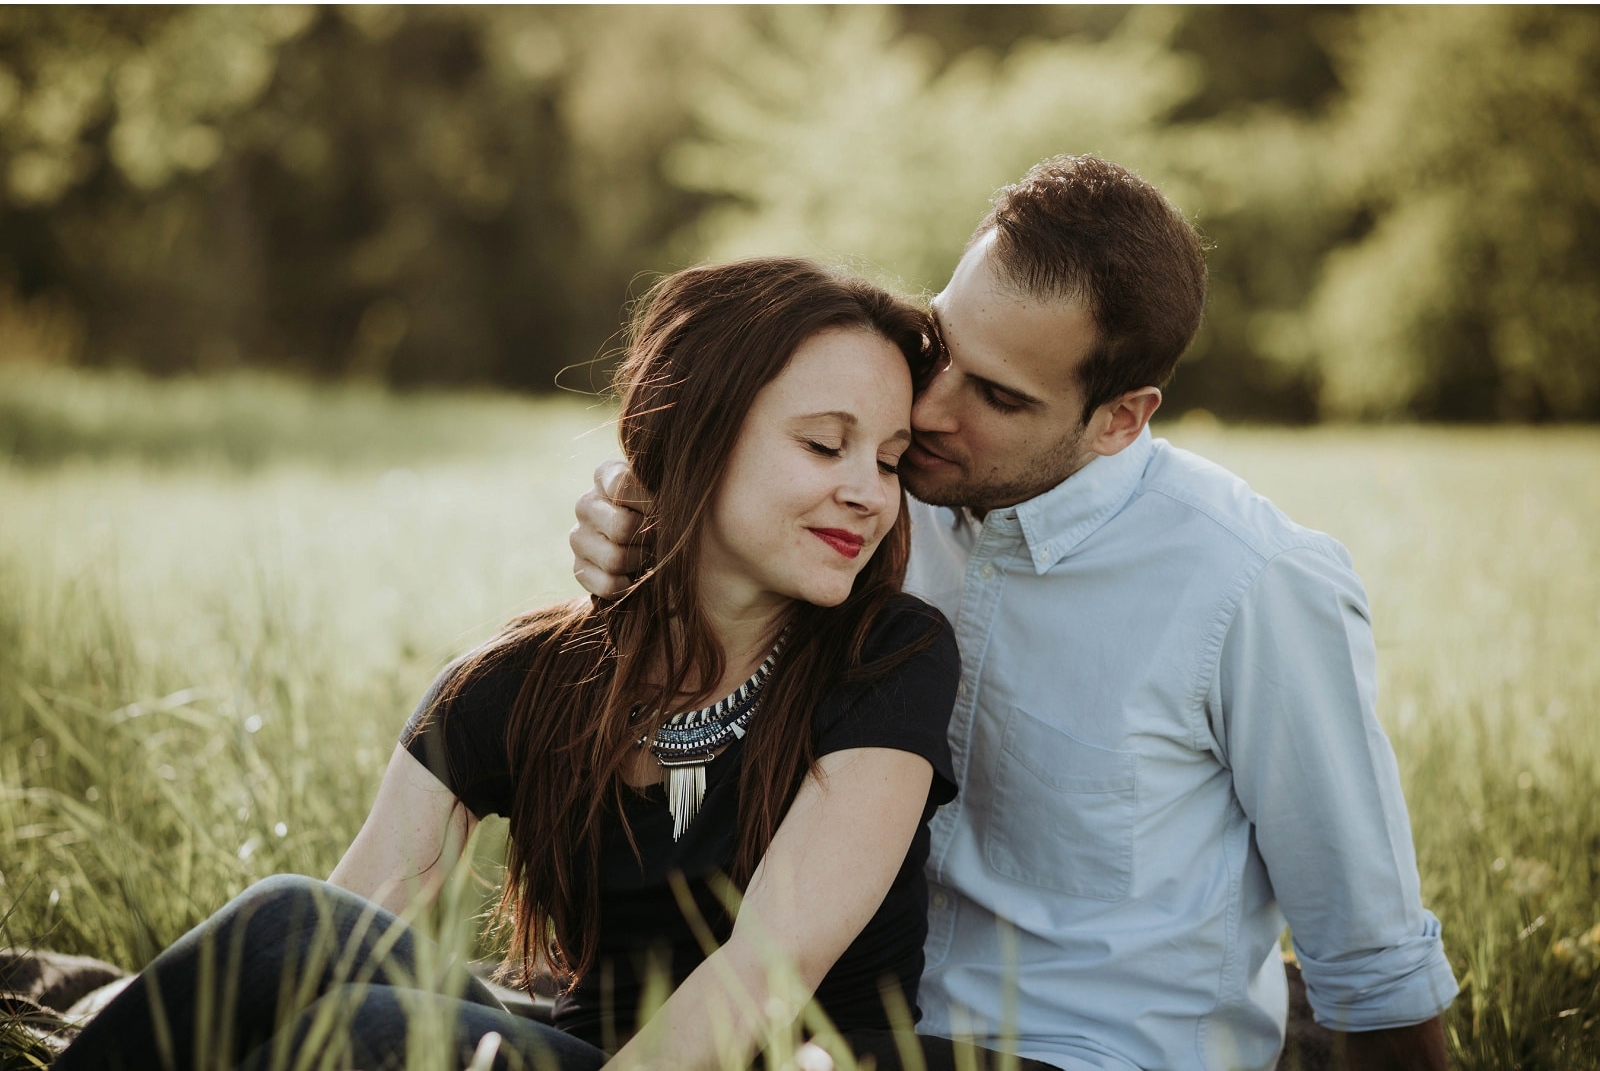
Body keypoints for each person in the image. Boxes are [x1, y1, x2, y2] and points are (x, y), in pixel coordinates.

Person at [572, 158, 1460, 1071]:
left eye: (998, 397)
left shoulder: (1252, 584)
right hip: (805, 1028)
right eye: (940, 348)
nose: (929, 408)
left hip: (1077, 1053)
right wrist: (649, 533)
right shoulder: (874, 501)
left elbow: (1372, 957)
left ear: (1120, 419)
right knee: (420, 1023)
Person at [58, 260, 972, 1071]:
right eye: (824, 443)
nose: (867, 491)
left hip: (782, 1060)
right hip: (571, 1053)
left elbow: (767, 974)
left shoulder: (888, 658)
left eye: (890, 462)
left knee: (373, 1030)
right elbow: (353, 922)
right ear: (693, 433)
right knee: (288, 923)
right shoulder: (525, 680)